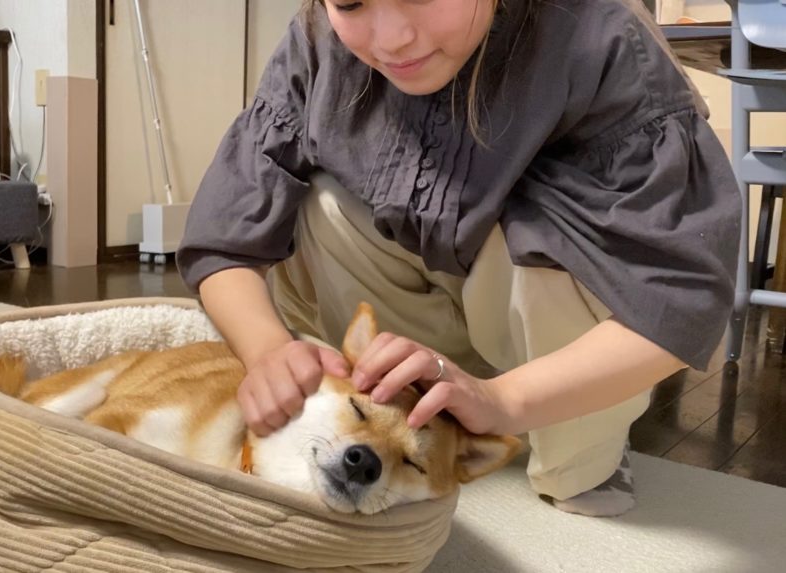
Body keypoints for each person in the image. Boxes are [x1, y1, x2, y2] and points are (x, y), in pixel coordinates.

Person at [177, 0, 740, 517]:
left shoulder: (597, 35)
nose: (392, 39)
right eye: (350, 2)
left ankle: (579, 442)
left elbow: (677, 300)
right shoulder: (317, 38)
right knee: (320, 205)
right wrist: (268, 351)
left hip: (542, 316)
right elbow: (226, 232)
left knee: (545, 239)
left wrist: (504, 399)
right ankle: (420, 415)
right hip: (428, 321)